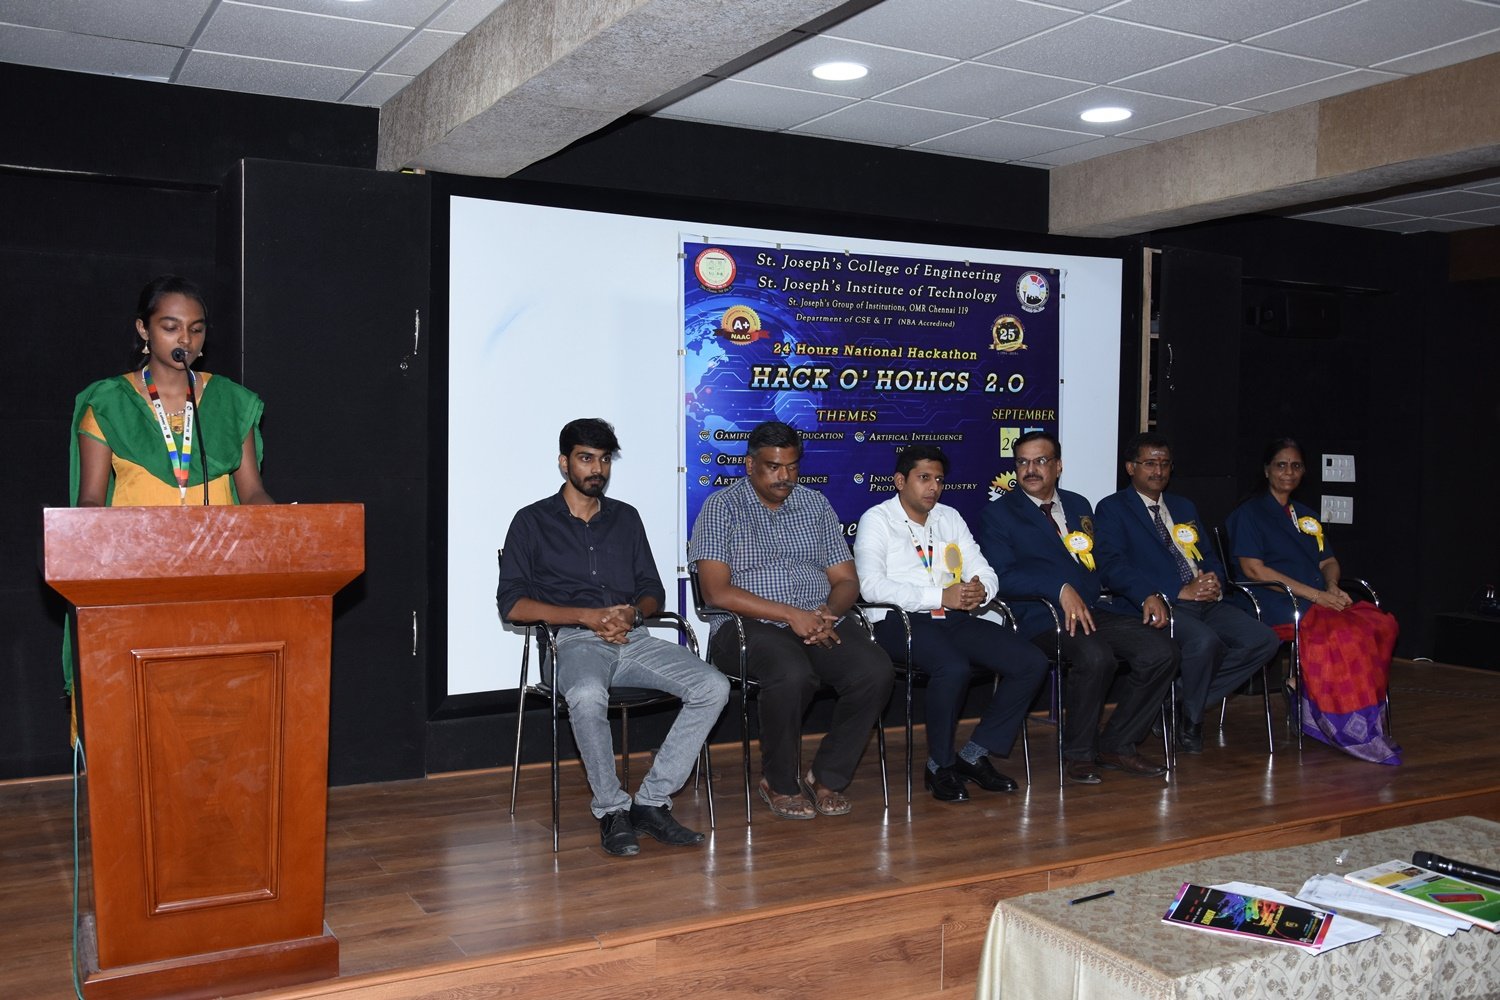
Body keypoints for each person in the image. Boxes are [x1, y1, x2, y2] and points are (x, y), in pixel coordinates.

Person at [496, 418, 730, 856]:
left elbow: (652, 591)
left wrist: (632, 614)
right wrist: (586, 617)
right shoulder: (531, 522)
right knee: (586, 695)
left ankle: (651, 802)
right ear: (564, 463)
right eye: (586, 459)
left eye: (604, 460)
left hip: (632, 639)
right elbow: (512, 604)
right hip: (570, 642)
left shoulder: (626, 518)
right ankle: (611, 809)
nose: (597, 469)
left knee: (713, 686)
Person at [689, 421, 893, 820]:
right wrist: (790, 615)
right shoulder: (721, 507)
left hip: (817, 617)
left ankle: (826, 776)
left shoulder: (815, 505)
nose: (784, 476)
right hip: (745, 625)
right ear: (750, 465)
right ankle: (779, 782)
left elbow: (846, 579)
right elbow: (715, 592)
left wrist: (828, 612)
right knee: (791, 672)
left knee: (874, 671)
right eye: (773, 467)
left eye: (792, 466)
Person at [977, 431, 1178, 784]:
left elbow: (1108, 563)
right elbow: (1001, 576)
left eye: (1041, 461)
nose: (1031, 469)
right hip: (1040, 617)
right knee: (1096, 656)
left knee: (1162, 651)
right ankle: (1080, 753)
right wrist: (1058, 589)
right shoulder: (999, 514)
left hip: (1092, 611)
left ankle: (1117, 743)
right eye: (1023, 462)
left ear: (1058, 466)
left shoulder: (1078, 504)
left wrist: (1146, 593)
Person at [854, 445, 1048, 801]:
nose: (934, 487)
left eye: (939, 480)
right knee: (953, 667)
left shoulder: (949, 517)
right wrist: (940, 595)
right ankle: (939, 765)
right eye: (924, 478)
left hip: (952, 616)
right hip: (899, 621)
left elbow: (984, 569)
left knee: (1030, 661)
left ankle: (973, 755)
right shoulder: (877, 519)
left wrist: (981, 590)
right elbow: (871, 587)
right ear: (900, 481)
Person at [1094, 433, 1280, 753]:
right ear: (1130, 467)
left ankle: (1175, 699)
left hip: (1206, 601)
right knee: (1204, 642)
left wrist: (1213, 580)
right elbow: (1112, 566)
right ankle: (1192, 719)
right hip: (1161, 603)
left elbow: (1207, 555)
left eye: (1165, 464)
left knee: (1263, 640)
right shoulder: (1112, 508)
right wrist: (1177, 591)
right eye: (1149, 463)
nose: (1158, 471)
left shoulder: (1183, 506)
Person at [1225, 438, 1400, 764]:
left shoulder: (1305, 515)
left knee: (1376, 625)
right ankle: (1338, 721)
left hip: (1315, 596)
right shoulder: (1249, 514)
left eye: (1295, 466)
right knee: (1342, 633)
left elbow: (1327, 561)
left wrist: (1331, 585)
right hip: (1271, 598)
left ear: (1303, 471)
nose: (1288, 472)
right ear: (1266, 470)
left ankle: (1306, 688)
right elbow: (1254, 570)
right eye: (1281, 465)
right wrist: (1318, 596)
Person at [72, 275, 273, 508]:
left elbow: (253, 494)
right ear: (143, 329)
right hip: (137, 533)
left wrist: (285, 521)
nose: (186, 339)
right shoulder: (109, 402)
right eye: (171, 327)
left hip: (216, 533)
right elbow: (90, 501)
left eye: (196, 329)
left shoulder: (230, 401)